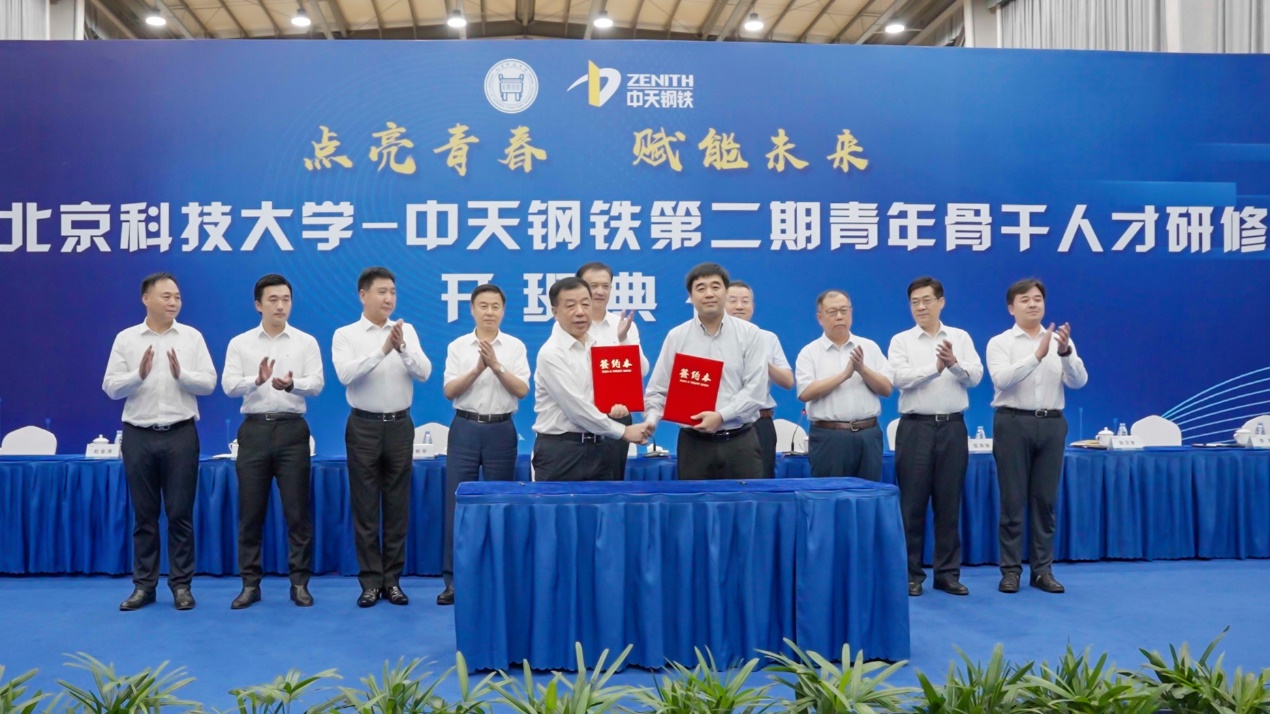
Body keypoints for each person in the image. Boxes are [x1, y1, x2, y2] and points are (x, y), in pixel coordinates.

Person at [102, 272, 216, 612]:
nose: (174, 302)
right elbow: (111, 387)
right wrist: (138, 375)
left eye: (177, 297)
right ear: (146, 299)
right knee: (145, 516)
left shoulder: (192, 337)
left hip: (181, 434)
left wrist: (182, 375)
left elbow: (209, 383)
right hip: (138, 435)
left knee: (180, 514)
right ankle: (144, 587)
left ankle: (181, 586)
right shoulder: (127, 339)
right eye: (166, 296)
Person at [221, 274, 324, 609]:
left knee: (297, 513)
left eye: (286, 299)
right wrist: (257, 380)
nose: (281, 306)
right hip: (254, 431)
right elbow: (228, 385)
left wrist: (293, 385)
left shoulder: (305, 342)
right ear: (258, 304)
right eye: (273, 300)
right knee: (251, 513)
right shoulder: (240, 343)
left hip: (292, 430)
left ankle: (300, 583)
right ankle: (250, 584)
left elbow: (317, 384)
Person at [332, 267, 432, 608]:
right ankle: (370, 582)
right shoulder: (346, 335)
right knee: (365, 508)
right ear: (363, 295)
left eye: (392, 291)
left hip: (400, 426)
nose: (389, 298)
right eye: (381, 291)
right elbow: (346, 374)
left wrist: (401, 348)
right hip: (363, 426)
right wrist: (382, 350)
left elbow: (424, 372)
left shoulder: (406, 331)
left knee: (396, 507)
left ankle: (393, 581)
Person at [986, 277, 1087, 595]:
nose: (1033, 304)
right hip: (1013, 422)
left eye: (1038, 299)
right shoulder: (1000, 342)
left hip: (1052, 423)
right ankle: (1010, 571)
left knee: (1045, 501)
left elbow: (1079, 381)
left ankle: (1042, 571)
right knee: (1012, 500)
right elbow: (1002, 379)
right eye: (1025, 299)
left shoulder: (1060, 340)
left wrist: (1065, 352)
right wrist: (1036, 357)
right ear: (1011, 308)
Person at [887, 276, 982, 597]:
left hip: (953, 428)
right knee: (912, 505)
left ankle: (947, 574)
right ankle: (911, 574)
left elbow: (975, 376)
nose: (921, 307)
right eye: (915, 302)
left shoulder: (960, 337)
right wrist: (935, 367)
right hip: (916, 428)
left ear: (941, 302)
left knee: (949, 503)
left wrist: (953, 364)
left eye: (927, 300)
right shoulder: (901, 340)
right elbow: (899, 379)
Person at [437, 283, 530, 606]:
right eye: (483, 306)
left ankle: (498, 577)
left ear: (503, 311)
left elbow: (522, 390)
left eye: (495, 307)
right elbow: (450, 391)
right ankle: (453, 581)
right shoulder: (458, 346)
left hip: (501, 430)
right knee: (457, 504)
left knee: (500, 502)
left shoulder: (515, 346)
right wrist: (478, 368)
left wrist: (496, 366)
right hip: (464, 427)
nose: (490, 312)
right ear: (473, 310)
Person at [644, 263, 767, 481]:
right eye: (700, 288)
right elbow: (657, 391)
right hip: (694, 445)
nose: (709, 294)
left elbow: (755, 391)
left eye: (715, 287)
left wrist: (721, 416)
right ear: (690, 297)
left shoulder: (751, 334)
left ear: (726, 292)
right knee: (694, 502)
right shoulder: (677, 337)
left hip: (740, 444)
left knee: (745, 501)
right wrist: (651, 420)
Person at [532, 277, 651, 481]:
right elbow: (577, 409)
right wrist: (623, 431)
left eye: (585, 304)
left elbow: (616, 383)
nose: (580, 312)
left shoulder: (594, 346)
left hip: (600, 447)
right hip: (562, 452)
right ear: (555, 312)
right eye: (570, 305)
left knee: (603, 503)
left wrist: (615, 405)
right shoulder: (551, 353)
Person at [795, 290, 893, 481]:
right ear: (820, 318)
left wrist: (862, 369)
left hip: (868, 435)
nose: (839, 316)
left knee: (869, 493)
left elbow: (887, 389)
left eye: (844, 310)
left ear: (851, 312)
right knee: (830, 493)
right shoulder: (810, 352)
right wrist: (844, 375)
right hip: (829, 437)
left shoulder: (869, 347)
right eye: (832, 312)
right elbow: (805, 392)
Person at [576, 262, 651, 479]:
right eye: (593, 286)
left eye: (605, 286)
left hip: (618, 415)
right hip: (580, 418)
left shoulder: (624, 324)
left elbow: (641, 370)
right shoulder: (571, 325)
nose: (600, 291)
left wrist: (623, 340)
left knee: (613, 482)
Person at [725, 280, 794, 478]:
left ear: (752, 306)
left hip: (759, 422)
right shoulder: (713, 339)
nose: (739, 306)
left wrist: (764, 361)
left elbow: (788, 381)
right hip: (724, 423)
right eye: (733, 301)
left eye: (745, 301)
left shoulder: (767, 338)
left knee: (761, 482)